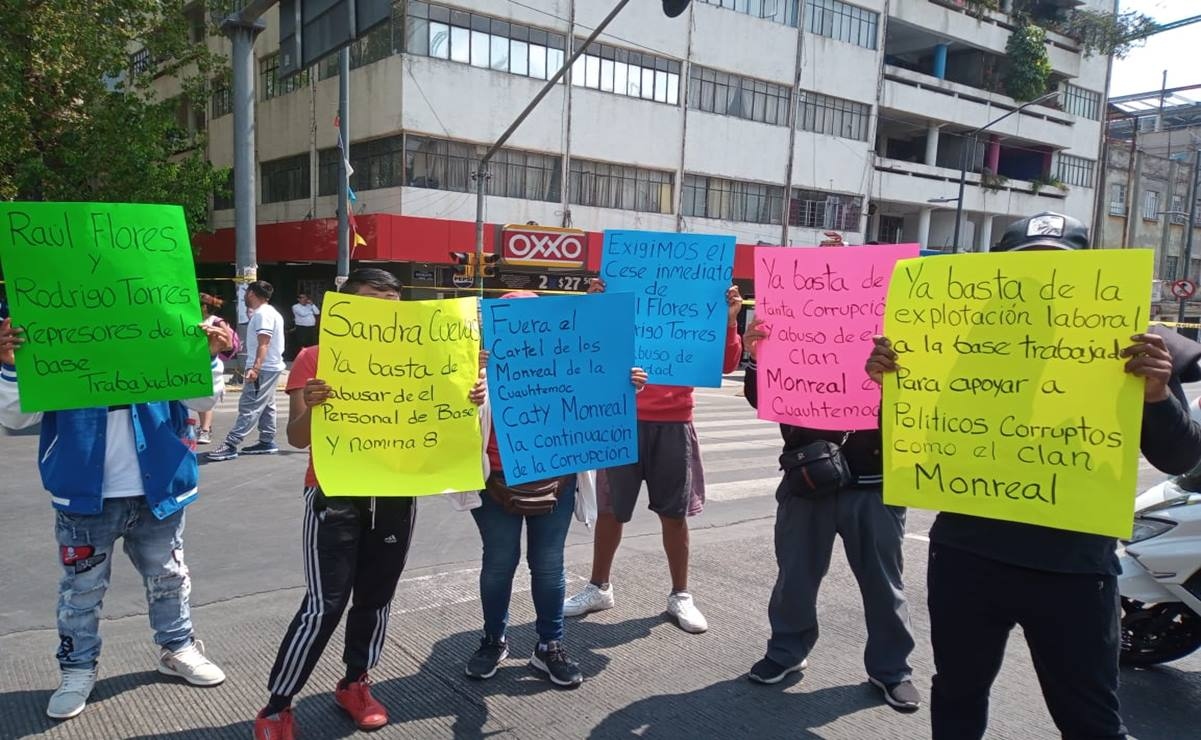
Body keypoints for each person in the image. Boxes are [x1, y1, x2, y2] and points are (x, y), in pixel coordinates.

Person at [866, 211, 1201, 739]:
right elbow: (915, 448)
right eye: (1027, 271)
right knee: (957, 693)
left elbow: (1179, 458)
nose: (1041, 284)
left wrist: (1157, 395)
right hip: (967, 556)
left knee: (1089, 717)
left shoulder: (1130, 345)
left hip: (1073, 568)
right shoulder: (951, 341)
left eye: (1057, 271)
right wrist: (895, 387)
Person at [254, 268, 488, 740]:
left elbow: (448, 419)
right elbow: (297, 438)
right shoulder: (314, 358)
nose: (384, 311)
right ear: (347, 307)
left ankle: (356, 682)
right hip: (335, 493)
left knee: (376, 599)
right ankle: (278, 706)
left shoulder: (431, 356)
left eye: (393, 302)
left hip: (396, 493)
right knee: (325, 605)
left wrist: (471, 394)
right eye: (372, 301)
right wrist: (313, 405)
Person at [0, 315, 232, 720]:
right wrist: (10, 363)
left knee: (169, 578)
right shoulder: (56, 328)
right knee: (81, 592)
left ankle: (177, 648)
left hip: (159, 489)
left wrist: (209, 356)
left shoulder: (163, 322)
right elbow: (16, 417)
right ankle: (77, 668)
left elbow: (204, 402)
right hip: (84, 496)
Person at [458, 291, 649, 689]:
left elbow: (598, 392)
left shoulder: (571, 356)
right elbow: (444, 424)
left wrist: (624, 382)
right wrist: (468, 392)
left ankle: (550, 646)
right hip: (493, 484)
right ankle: (493, 640)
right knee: (497, 565)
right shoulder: (469, 364)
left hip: (555, 483)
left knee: (548, 567)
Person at [739, 317, 920, 711]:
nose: (836, 250)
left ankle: (891, 670)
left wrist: (891, 377)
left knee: (883, 583)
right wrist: (756, 357)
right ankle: (787, 651)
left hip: (875, 483)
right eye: (827, 248)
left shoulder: (897, 326)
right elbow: (761, 398)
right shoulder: (795, 323)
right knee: (795, 577)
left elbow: (919, 404)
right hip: (807, 479)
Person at [564, 281, 743, 633]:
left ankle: (681, 594)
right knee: (611, 511)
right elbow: (585, 349)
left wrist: (730, 320)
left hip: (675, 423)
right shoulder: (619, 306)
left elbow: (724, 364)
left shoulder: (693, 313)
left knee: (674, 514)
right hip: (621, 419)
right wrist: (593, 307)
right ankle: (599, 587)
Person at [208, 280, 286, 461]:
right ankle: (267, 440)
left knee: (249, 405)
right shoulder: (270, 312)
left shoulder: (262, 315)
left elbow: (263, 343)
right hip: (271, 367)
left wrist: (255, 368)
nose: (243, 297)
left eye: (245, 292)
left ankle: (230, 444)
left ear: (251, 293)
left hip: (264, 368)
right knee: (267, 405)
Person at [197, 292, 239, 445]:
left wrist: (214, 344)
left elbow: (229, 344)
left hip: (211, 364)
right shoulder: (194, 319)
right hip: (195, 362)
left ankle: (205, 430)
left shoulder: (216, 321)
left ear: (204, 307)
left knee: (204, 396)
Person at [290, 292, 320, 359]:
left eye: (305, 297)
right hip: (302, 328)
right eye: (303, 297)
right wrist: (310, 311)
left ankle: (309, 358)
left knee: (310, 343)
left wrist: (312, 304)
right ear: (299, 299)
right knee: (302, 343)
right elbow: (302, 314)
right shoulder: (295, 306)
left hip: (311, 328)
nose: (305, 299)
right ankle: (300, 358)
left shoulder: (309, 306)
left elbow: (317, 312)